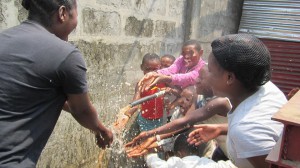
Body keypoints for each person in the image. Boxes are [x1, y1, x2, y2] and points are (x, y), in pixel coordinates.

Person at [0, 0, 113, 167]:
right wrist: (100, 129)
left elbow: (35, 91)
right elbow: (80, 109)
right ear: (62, 13)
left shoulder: (4, 38)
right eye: (76, 14)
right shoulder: (67, 56)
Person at [187, 34, 287, 168]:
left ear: (229, 78)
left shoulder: (245, 131)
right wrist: (221, 129)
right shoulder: (263, 86)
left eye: (210, 71)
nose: (207, 77)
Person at [114, 53, 165, 132]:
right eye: (148, 69)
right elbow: (136, 102)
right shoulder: (140, 84)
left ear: (160, 68)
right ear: (142, 67)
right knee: (147, 141)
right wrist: (126, 115)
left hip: (161, 118)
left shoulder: (163, 81)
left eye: (155, 69)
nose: (151, 73)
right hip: (145, 121)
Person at [139, 40, 206, 92]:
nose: (186, 56)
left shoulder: (203, 68)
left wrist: (166, 78)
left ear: (200, 53)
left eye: (190, 53)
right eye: (183, 53)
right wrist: (154, 73)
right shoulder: (181, 59)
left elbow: (188, 77)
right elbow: (171, 70)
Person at [145, 131, 218, 168]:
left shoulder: (176, 164)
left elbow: (155, 162)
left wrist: (149, 154)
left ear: (179, 154)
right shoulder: (209, 163)